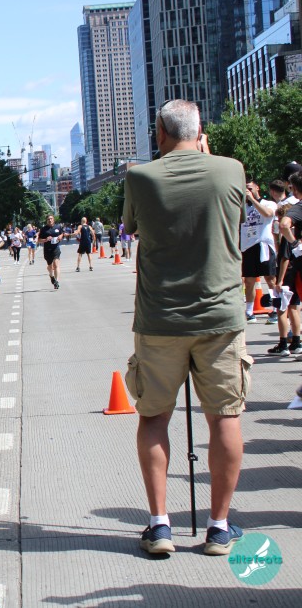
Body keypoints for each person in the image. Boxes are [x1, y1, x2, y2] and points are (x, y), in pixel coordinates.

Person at [122, 99, 250, 557]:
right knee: (225, 418)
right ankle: (219, 526)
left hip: (160, 318)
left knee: (154, 417)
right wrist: (206, 155)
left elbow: (132, 228)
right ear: (199, 132)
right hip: (220, 318)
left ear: (159, 132)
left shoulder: (140, 176)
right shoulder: (230, 169)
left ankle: (160, 525)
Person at [269, 179, 302, 356]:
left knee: (282, 308)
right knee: (294, 307)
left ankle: (283, 343)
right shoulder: (297, 233)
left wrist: (279, 280)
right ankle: (296, 342)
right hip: (295, 273)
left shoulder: (288, 238)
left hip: (288, 275)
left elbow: (284, 259)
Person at [241, 179, 277, 323]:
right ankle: (249, 312)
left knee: (270, 279)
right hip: (248, 246)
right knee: (249, 281)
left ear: (257, 188)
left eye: (250, 188)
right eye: (246, 189)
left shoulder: (268, 203)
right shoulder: (243, 207)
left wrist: (252, 200)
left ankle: (276, 309)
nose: (248, 191)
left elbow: (268, 214)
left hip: (264, 245)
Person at [38, 215, 64, 290]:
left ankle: (57, 281)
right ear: (46, 220)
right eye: (48, 219)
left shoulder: (58, 227)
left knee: (56, 265)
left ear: (53, 220)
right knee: (50, 266)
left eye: (51, 219)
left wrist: (60, 236)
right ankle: (51, 276)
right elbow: (39, 240)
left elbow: (62, 233)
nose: (50, 220)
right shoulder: (43, 229)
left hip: (56, 248)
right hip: (47, 250)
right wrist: (45, 240)